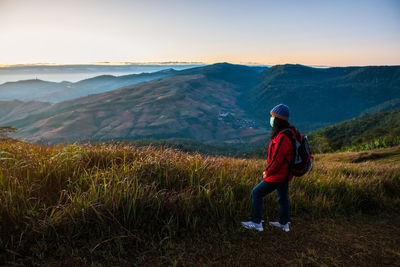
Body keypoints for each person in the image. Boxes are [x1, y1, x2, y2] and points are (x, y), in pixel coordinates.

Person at [241, 104, 295, 232]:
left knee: (256, 192)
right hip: (285, 174)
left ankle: (256, 222)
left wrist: (267, 172)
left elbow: (277, 159)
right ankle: (284, 223)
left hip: (278, 174)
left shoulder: (282, 137)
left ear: (278, 119)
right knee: (282, 197)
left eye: (272, 116)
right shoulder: (288, 133)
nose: (271, 119)